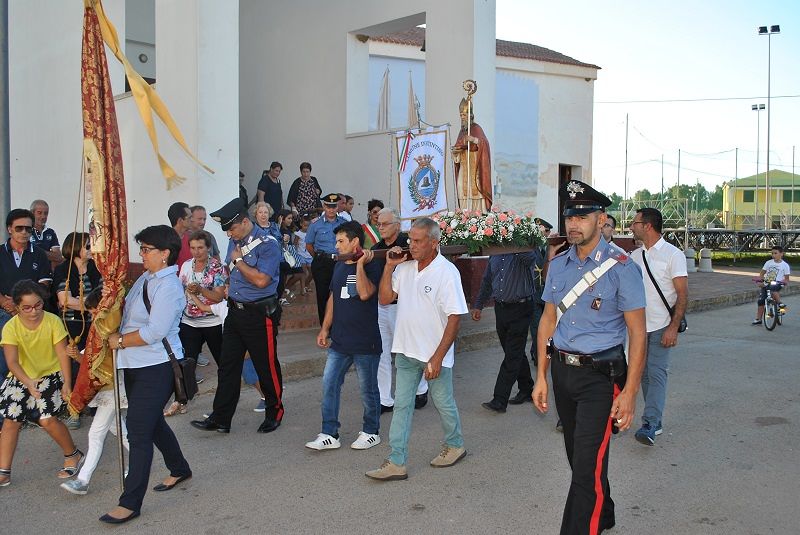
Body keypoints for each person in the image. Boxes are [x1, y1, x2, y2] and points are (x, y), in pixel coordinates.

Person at [532, 180, 646, 534]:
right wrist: (541, 376)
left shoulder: (622, 267)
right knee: (582, 460)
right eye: (569, 215)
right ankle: (605, 510)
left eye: (582, 215)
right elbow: (548, 320)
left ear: (601, 219)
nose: (573, 223)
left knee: (584, 470)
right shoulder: (560, 263)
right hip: (563, 374)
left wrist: (629, 393)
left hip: (602, 376)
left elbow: (638, 334)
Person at [365, 217, 469, 481]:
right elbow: (386, 298)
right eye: (410, 239)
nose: (412, 245)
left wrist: (438, 356)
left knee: (443, 404)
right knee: (401, 406)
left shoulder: (447, 272)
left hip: (434, 355)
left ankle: (455, 445)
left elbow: (455, 317)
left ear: (434, 243)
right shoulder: (406, 267)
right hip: (405, 350)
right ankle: (396, 461)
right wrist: (389, 267)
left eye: (418, 241)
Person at [102, 225, 192, 524]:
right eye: (141, 248)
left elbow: (155, 331)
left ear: (165, 253)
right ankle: (179, 468)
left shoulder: (169, 285)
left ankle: (130, 502)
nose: (141, 254)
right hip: (133, 363)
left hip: (158, 364)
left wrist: (121, 341)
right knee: (151, 424)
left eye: (146, 249)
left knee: (138, 429)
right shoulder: (145, 277)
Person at [191, 198, 284, 434]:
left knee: (266, 366)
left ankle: (274, 412)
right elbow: (230, 275)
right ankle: (221, 418)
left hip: (259, 314)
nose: (229, 234)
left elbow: (262, 280)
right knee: (228, 366)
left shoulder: (267, 244)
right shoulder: (236, 244)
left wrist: (239, 261)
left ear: (245, 221)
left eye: (232, 228)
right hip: (235, 312)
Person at [306, 221, 383, 451]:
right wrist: (324, 328)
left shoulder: (373, 264)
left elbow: (366, 292)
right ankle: (329, 433)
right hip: (339, 341)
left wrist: (359, 265)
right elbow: (332, 298)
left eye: (341, 241)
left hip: (364, 341)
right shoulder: (338, 266)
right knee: (329, 384)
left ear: (355, 242)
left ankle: (371, 431)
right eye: (336, 241)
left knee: (367, 389)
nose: (336, 246)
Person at [0, 279, 83, 487]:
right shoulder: (11, 327)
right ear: (17, 307)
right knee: (11, 420)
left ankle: (72, 454)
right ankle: (3, 471)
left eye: (38, 305)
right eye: (26, 307)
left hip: (51, 374)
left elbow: (62, 354)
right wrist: (27, 382)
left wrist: (66, 383)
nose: (33, 311)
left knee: (47, 419)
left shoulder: (52, 321)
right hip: (22, 376)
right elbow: (12, 362)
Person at [60, 289, 130, 496]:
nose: (92, 317)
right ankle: (139, 463)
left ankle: (83, 480)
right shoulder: (101, 330)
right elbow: (90, 359)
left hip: (112, 387)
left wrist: (78, 357)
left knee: (96, 432)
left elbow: (99, 363)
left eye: (93, 313)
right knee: (119, 431)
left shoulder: (110, 331)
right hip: (107, 388)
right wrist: (76, 356)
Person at [629, 208, 688, 446]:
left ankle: (650, 422)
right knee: (642, 374)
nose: (631, 227)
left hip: (662, 326)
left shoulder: (673, 255)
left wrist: (673, 327)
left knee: (656, 373)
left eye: (635, 223)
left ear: (648, 226)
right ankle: (655, 419)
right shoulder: (634, 256)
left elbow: (682, 296)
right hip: (638, 329)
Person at [371, 207, 429, 412]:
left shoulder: (408, 243)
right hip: (381, 306)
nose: (380, 227)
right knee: (382, 352)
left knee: (409, 350)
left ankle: (421, 390)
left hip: (403, 306)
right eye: (378, 224)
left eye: (384, 224)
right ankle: (384, 398)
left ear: (397, 225)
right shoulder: (376, 247)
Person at [0, 208, 54, 429]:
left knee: (31, 363)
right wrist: (5, 302)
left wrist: (23, 305)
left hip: (32, 316)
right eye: (19, 228)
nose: (24, 232)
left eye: (28, 229)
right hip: (3, 314)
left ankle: (32, 411)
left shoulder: (39, 254)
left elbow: (44, 285)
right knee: (5, 364)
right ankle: (6, 415)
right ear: (9, 229)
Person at [471, 250, 542, 412]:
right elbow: (487, 280)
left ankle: (499, 399)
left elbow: (533, 259)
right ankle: (526, 388)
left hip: (522, 307)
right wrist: (479, 305)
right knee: (513, 351)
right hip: (501, 308)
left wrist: (515, 244)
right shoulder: (495, 254)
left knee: (513, 354)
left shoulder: (524, 251)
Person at [167, 231, 227, 417]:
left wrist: (200, 289)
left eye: (200, 247)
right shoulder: (185, 266)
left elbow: (218, 296)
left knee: (223, 363)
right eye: (192, 248)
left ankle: (223, 402)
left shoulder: (218, 267)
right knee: (185, 363)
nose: (196, 252)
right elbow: (179, 291)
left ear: (208, 248)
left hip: (213, 323)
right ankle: (181, 400)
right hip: (189, 322)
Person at [52, 231, 104, 429]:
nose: (92, 250)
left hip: (94, 323)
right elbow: (64, 300)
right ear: (75, 249)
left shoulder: (95, 268)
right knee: (73, 365)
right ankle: (74, 409)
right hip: (71, 325)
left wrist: (83, 303)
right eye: (88, 246)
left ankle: (94, 403)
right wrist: (90, 304)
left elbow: (102, 295)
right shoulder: (64, 269)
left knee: (93, 363)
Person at [305, 194, 348, 324]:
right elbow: (309, 245)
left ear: (337, 207)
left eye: (334, 206)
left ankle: (338, 324)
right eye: (328, 206)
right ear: (324, 206)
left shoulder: (343, 223)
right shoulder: (315, 224)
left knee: (340, 293)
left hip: (339, 262)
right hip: (322, 262)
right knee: (323, 294)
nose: (331, 210)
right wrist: (320, 257)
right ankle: (325, 326)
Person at [452, 99, 492, 212]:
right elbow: (458, 150)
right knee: (461, 189)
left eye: (464, 114)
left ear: (470, 115)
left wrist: (473, 139)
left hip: (475, 170)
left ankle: (478, 218)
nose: (462, 117)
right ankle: (465, 217)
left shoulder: (476, 128)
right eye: (461, 115)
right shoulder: (462, 131)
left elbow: (484, 144)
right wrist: (456, 153)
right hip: (464, 169)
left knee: (476, 192)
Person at [752, 245, 790, 325]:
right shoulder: (768, 263)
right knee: (761, 301)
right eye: (772, 253)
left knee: (773, 289)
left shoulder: (785, 265)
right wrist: (761, 281)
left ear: (781, 254)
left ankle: (780, 303)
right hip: (767, 283)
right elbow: (762, 273)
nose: (773, 255)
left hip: (777, 283)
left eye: (775, 253)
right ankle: (758, 319)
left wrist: (784, 282)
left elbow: (786, 278)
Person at [29, 199, 63, 265]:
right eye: (39, 213)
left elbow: (58, 257)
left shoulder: (50, 232)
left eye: (46, 213)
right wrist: (49, 254)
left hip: (46, 273)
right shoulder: (26, 230)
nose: (43, 216)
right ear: (32, 213)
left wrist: (37, 251)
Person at [293, 213, 314, 294]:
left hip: (309, 255)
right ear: (301, 224)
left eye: (308, 226)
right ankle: (302, 289)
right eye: (305, 225)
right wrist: (295, 255)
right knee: (303, 273)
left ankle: (306, 284)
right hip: (301, 255)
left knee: (312, 272)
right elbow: (295, 244)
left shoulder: (311, 233)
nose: (307, 228)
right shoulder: (298, 234)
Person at [168, 202, 193, 268]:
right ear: (180, 220)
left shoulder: (192, 238)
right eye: (190, 217)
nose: (192, 220)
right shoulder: (166, 241)